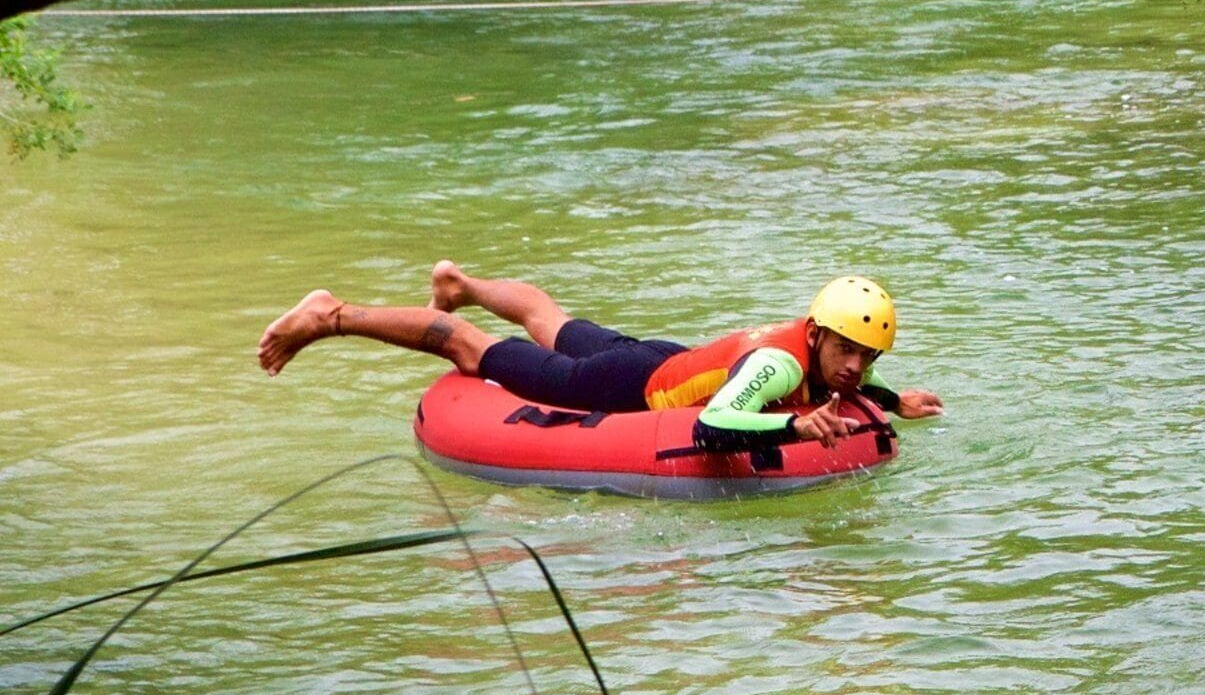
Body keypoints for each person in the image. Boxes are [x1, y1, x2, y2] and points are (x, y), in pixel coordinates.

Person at [257, 263, 941, 449]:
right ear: (815, 334)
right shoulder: (779, 366)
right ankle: (332, 314)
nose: (855, 368)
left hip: (664, 360)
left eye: (868, 357)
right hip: (624, 386)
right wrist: (793, 425)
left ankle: (458, 282)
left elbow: (858, 384)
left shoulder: (834, 355)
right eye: (847, 350)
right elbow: (714, 425)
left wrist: (892, 401)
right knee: (468, 347)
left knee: (548, 319)